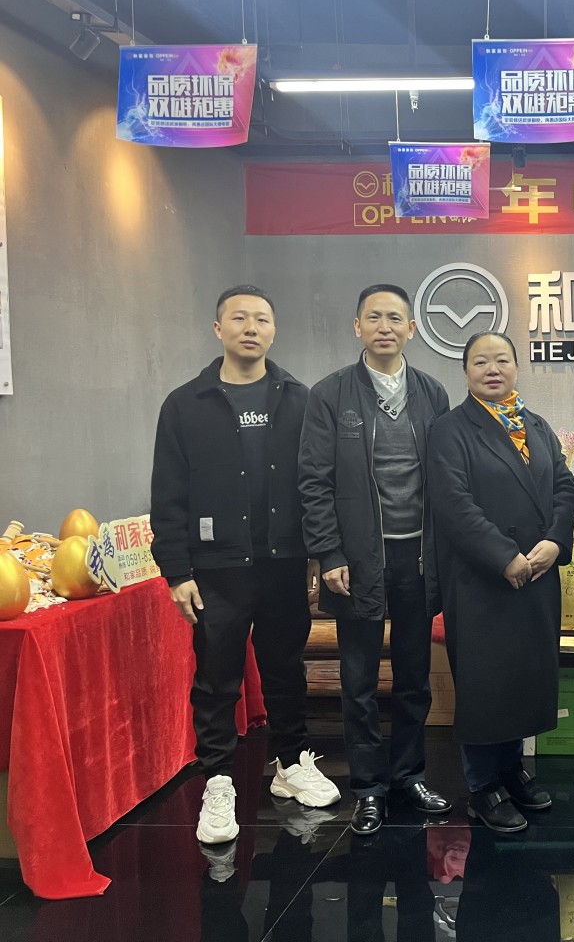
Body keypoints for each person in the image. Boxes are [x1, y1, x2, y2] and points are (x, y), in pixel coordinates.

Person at [151, 285, 339, 847]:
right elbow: (168, 494)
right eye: (239, 318)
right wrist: (176, 572)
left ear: (274, 331)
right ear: (219, 329)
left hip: (284, 563)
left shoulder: (300, 400)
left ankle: (291, 763)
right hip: (216, 568)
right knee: (216, 679)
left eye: (261, 319)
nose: (250, 327)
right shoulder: (185, 404)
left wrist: (317, 550)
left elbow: (318, 483)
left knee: (285, 670)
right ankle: (218, 782)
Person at [298, 283, 453, 836]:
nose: (384, 327)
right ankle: (368, 788)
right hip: (358, 557)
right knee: (359, 678)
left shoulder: (432, 392)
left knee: (414, 675)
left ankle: (409, 775)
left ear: (411, 329)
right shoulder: (331, 394)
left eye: (395, 318)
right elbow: (313, 481)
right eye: (374, 317)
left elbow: (447, 477)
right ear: (357, 327)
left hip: (418, 556)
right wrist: (328, 552)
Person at [427, 332, 574, 834]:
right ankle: (482, 785)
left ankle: (512, 770)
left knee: (522, 680)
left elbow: (564, 486)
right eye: (480, 362)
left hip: (537, 572)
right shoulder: (450, 429)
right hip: (482, 579)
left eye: (501, 360)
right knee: (485, 683)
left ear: (515, 366)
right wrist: (502, 556)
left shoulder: (535, 425)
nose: (492, 369)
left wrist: (555, 541)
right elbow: (453, 503)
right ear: (465, 371)